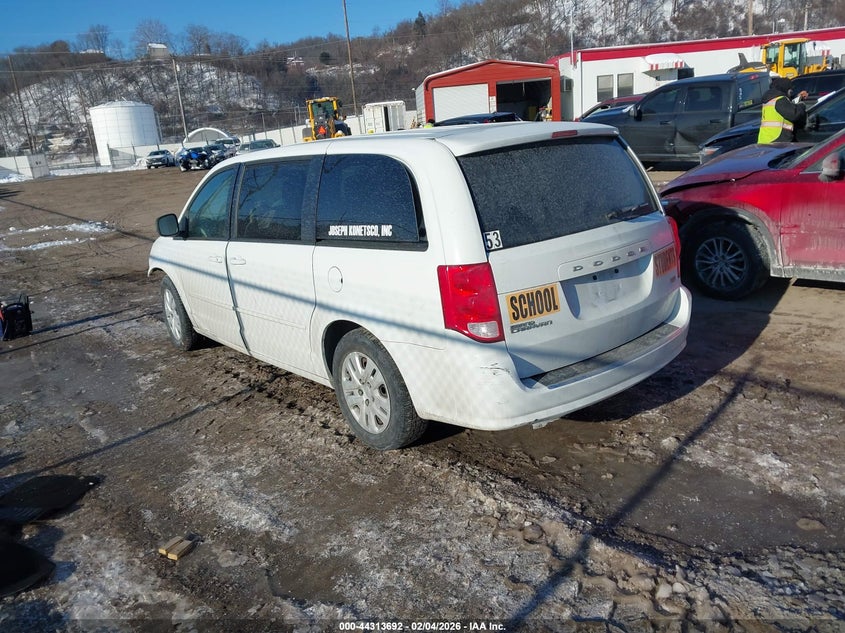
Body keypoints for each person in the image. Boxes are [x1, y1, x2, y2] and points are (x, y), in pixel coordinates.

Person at [757, 75, 809, 144]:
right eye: (790, 90)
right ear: (785, 88)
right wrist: (802, 105)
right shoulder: (780, 100)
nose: (791, 91)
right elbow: (794, 114)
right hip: (777, 141)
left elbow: (787, 106)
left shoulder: (771, 99)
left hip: (767, 139)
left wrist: (798, 97)